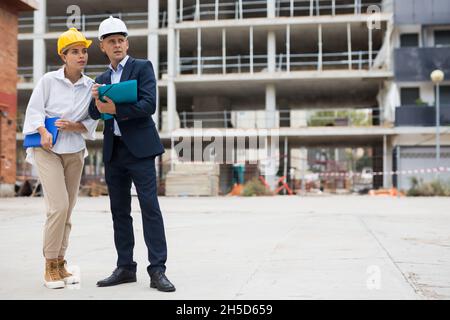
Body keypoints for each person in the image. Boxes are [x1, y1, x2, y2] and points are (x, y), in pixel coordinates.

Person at [89, 16, 175, 292]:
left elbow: (149, 104)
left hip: (140, 151)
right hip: (114, 152)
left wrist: (118, 111)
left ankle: (157, 269)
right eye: (111, 41)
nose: (117, 45)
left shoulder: (142, 67)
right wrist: (94, 100)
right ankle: (125, 267)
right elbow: (93, 114)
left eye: (121, 40)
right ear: (102, 46)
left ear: (127, 43)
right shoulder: (101, 79)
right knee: (119, 212)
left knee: (150, 208)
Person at [22, 28, 98, 289]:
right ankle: (49, 264)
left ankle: (60, 262)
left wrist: (75, 126)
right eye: (75, 51)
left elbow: (90, 123)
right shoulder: (48, 81)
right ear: (63, 56)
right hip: (47, 150)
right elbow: (33, 111)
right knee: (58, 207)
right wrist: (43, 130)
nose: (81, 55)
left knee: (68, 209)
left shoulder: (91, 87)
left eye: (84, 51)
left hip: (74, 151)